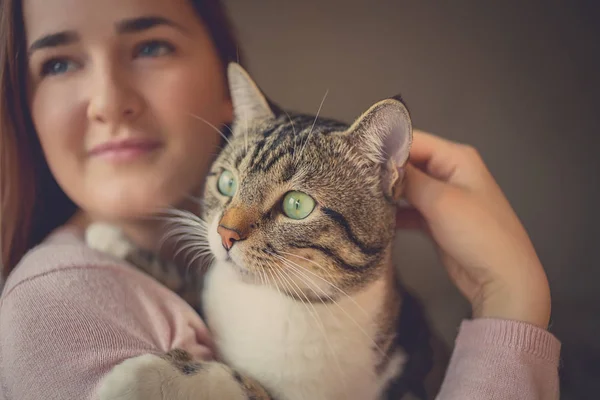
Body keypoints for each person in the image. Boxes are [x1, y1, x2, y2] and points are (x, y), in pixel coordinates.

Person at [0, 0, 560, 398]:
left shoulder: (399, 332)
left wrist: (507, 293)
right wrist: (510, 300)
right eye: (58, 62)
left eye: (150, 45)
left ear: (224, 89)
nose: (231, 226)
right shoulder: (53, 310)